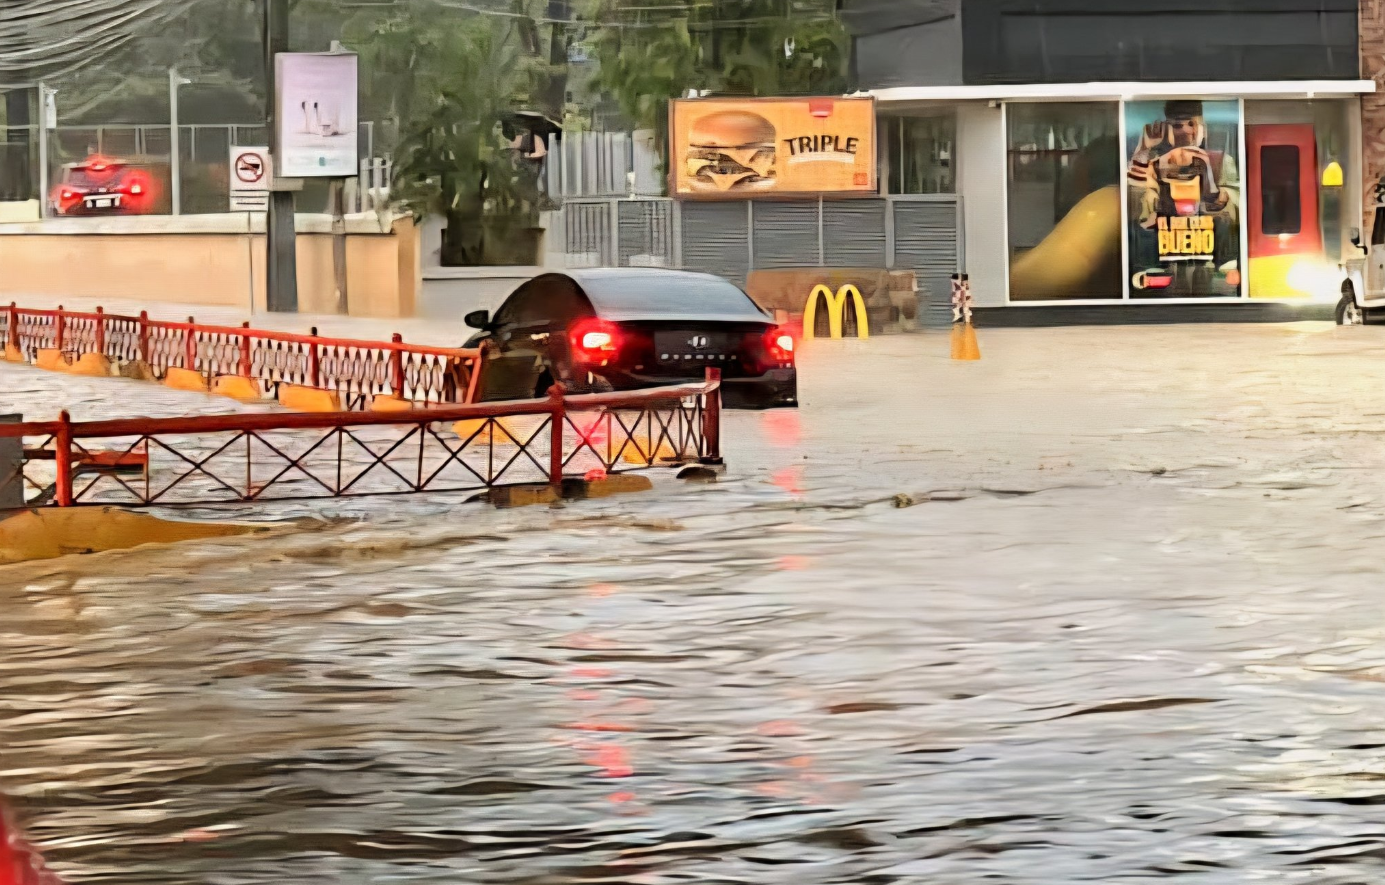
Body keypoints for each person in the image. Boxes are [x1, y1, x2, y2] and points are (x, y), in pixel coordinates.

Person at [1127, 100, 1240, 294]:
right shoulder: (1153, 164)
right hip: (1165, 252)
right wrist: (1143, 152)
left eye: (1191, 124)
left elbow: (1237, 207)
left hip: (1210, 256)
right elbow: (1135, 210)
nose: (1186, 131)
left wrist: (1212, 190)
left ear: (1202, 127)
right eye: (1177, 126)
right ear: (1166, 129)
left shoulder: (1220, 161)